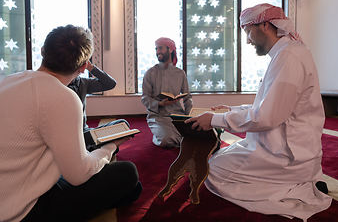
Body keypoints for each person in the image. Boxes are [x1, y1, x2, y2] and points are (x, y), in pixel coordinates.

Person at [185, 3, 332, 221]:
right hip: (278, 144)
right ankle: (299, 181)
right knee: (217, 157)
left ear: (264, 25)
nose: (247, 40)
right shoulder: (285, 53)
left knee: (211, 170)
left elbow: (268, 116)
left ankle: (297, 187)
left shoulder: (289, 56)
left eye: (247, 31)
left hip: (287, 154)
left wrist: (215, 120)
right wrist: (233, 109)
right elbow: (270, 106)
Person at [0, 25, 142, 222]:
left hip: (11, 186)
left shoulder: (9, 80)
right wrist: (112, 146)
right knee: (128, 174)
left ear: (42, 51)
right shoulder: (63, 96)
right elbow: (78, 175)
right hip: (21, 210)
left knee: (129, 187)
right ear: (83, 67)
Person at [141, 37, 193, 147]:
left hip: (178, 116)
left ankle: (182, 138)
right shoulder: (150, 73)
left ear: (170, 50)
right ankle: (166, 137)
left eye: (160, 48)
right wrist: (160, 103)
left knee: (203, 131)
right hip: (158, 117)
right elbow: (145, 98)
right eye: (156, 49)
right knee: (166, 140)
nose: (157, 52)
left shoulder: (180, 73)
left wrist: (190, 118)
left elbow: (187, 98)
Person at [68, 61, 128, 151]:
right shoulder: (57, 85)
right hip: (68, 137)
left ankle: (90, 147)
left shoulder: (83, 82)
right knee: (112, 147)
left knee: (122, 124)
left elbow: (110, 84)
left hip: (85, 133)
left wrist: (91, 67)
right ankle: (94, 147)